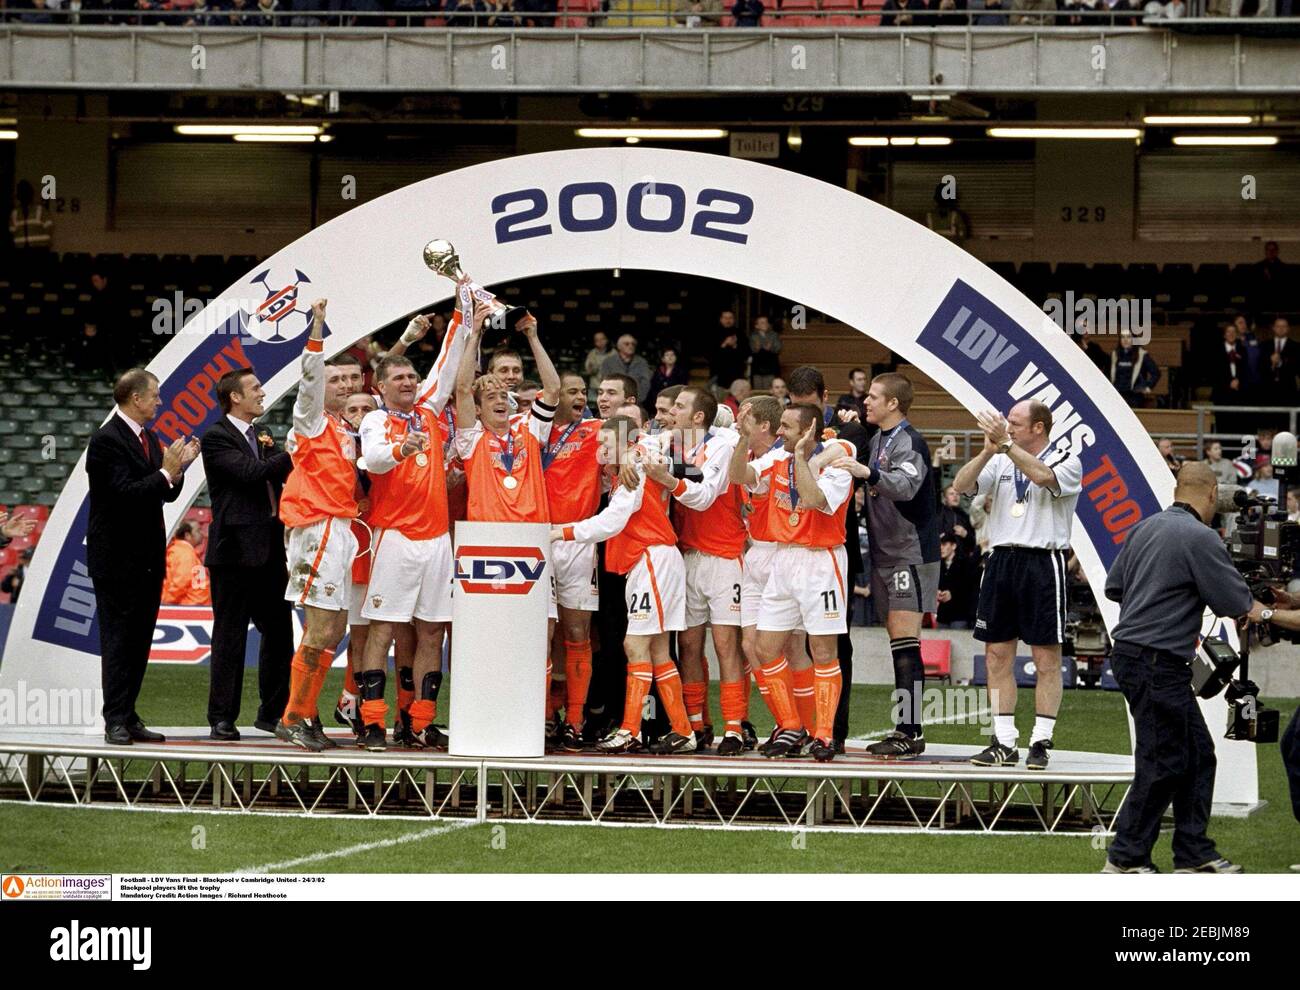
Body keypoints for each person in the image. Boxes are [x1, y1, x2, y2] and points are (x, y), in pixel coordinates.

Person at [1101, 461, 1267, 874]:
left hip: (1136, 654)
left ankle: (1193, 853)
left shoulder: (1144, 527)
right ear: (1212, 494)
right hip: (1157, 658)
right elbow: (1237, 605)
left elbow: (1114, 587)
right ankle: (1125, 858)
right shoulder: (1200, 536)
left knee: (1197, 754)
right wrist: (1266, 612)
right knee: (1164, 760)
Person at [356, 295, 480, 751]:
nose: (409, 382)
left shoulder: (428, 411)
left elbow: (447, 367)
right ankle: (372, 722)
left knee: (432, 631)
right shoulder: (375, 419)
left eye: (411, 375)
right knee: (382, 629)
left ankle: (421, 721)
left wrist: (464, 317)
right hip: (395, 537)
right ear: (383, 387)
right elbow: (371, 461)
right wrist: (401, 451)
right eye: (400, 377)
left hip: (436, 540)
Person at [551, 415, 696, 754]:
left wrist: (562, 531)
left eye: (606, 444)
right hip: (646, 561)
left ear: (624, 442)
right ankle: (682, 730)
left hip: (652, 559)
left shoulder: (635, 468)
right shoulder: (630, 467)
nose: (600, 450)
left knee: (635, 646)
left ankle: (630, 729)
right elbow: (653, 439)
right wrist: (636, 451)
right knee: (658, 650)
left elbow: (611, 522)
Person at [951, 400, 1082, 769]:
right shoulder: (1001, 456)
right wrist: (988, 451)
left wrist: (1006, 446)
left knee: (1045, 658)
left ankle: (1040, 740)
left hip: (1044, 561)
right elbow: (962, 486)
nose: (1007, 427)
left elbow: (1042, 477)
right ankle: (1003, 741)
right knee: (996, 654)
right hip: (1002, 559)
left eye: (1015, 422)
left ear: (1038, 428)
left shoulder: (1067, 458)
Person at [454, 308, 562, 726]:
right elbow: (463, 387)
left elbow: (552, 387)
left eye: (506, 396)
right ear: (478, 409)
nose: (501, 401)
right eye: (492, 398)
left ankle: (534, 715)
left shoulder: (529, 431)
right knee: (488, 634)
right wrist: (474, 331)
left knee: (541, 634)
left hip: (533, 541)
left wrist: (533, 337)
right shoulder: (471, 439)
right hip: (485, 545)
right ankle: (487, 713)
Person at [734, 403, 852, 762]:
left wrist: (801, 459)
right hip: (784, 558)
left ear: (809, 430)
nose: (780, 432)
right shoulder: (774, 459)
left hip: (822, 559)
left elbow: (815, 500)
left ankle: (825, 735)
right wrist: (742, 440)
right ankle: (791, 726)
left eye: (787, 427)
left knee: (823, 651)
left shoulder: (837, 464)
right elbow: (739, 475)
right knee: (765, 648)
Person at [87, 368, 199, 745]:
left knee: (138, 642)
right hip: (117, 560)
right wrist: (166, 472)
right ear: (136, 398)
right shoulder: (106, 440)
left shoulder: (148, 438)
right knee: (118, 642)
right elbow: (123, 494)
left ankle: (129, 714)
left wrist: (177, 470)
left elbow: (162, 493)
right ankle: (115, 719)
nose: (160, 402)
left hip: (148, 558)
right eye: (155, 395)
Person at [273, 298, 365, 751]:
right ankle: (292, 716)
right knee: (321, 626)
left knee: (336, 626)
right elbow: (308, 381)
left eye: (349, 378)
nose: (343, 385)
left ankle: (306, 714)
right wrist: (317, 329)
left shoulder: (341, 427)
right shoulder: (310, 421)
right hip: (318, 527)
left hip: (341, 528)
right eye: (336, 379)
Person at [835, 372, 939, 759]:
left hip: (909, 552)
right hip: (885, 549)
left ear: (893, 403)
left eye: (874, 397)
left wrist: (869, 473)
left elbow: (906, 486)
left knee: (905, 638)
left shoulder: (910, 440)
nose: (867, 402)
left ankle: (910, 731)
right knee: (897, 638)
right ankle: (906, 728)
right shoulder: (878, 437)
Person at [642, 386, 748, 753]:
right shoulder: (669, 443)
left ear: (698, 417)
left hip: (725, 554)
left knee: (725, 644)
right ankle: (697, 726)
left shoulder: (722, 445)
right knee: (687, 644)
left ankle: (734, 728)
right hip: (686, 554)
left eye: (679, 407)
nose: (671, 412)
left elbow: (704, 497)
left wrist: (668, 479)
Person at [201, 367, 295, 740]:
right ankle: (222, 717)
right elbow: (251, 474)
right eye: (255, 388)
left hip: (270, 549)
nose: (262, 392)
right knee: (230, 636)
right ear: (234, 397)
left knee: (280, 633)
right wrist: (293, 452)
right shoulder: (216, 437)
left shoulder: (260, 435)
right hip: (233, 552)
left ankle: (273, 713)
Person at [787, 366, 871, 751]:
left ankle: (834, 729)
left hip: (835, 548)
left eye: (810, 407)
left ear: (825, 397)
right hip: (792, 547)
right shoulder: (788, 431)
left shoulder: (848, 428)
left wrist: (812, 457)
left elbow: (853, 444)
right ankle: (799, 725)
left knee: (835, 639)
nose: (806, 416)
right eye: (796, 407)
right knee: (795, 641)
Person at [541, 371, 606, 749]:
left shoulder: (599, 430)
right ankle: (547, 715)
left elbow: (662, 442)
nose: (582, 396)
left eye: (585, 391)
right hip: (539, 538)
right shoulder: (534, 428)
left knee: (577, 633)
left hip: (579, 539)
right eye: (573, 391)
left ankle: (575, 720)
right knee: (545, 635)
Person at [599, 334, 652, 411]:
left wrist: (636, 399)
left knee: (628, 422)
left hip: (636, 404)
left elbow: (646, 383)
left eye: (633, 344)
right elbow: (604, 382)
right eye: (627, 344)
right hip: (613, 404)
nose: (631, 346)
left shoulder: (642, 362)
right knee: (620, 422)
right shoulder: (608, 362)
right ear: (619, 346)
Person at [162, 521, 210, 606]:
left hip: (196, 605)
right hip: (190, 607)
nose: (202, 533)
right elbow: (180, 582)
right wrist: (165, 602)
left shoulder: (186, 552)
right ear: (187, 535)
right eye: (198, 530)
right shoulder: (184, 554)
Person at [936, 533, 977, 629]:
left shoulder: (965, 563)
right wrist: (937, 591)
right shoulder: (938, 565)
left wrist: (952, 594)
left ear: (953, 546)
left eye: (944, 544)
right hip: (943, 614)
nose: (941, 548)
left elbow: (968, 587)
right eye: (940, 545)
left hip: (959, 614)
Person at [1109, 331, 1160, 407]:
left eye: (1128, 337)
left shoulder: (1142, 355)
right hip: (1118, 395)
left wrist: (1148, 387)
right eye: (1123, 337)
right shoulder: (1115, 354)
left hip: (1134, 396)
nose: (1125, 340)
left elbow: (1156, 373)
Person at [709, 312, 750, 398]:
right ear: (721, 319)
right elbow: (710, 354)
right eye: (725, 318)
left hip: (737, 371)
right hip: (719, 372)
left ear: (734, 320)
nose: (728, 320)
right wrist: (724, 344)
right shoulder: (713, 333)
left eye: (730, 318)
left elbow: (747, 352)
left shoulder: (740, 333)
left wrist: (735, 346)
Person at [749, 315, 782, 389]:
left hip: (771, 366)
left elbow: (778, 348)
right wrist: (758, 348)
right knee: (758, 390)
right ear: (757, 326)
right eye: (762, 323)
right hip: (757, 367)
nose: (765, 324)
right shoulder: (753, 336)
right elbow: (752, 349)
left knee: (770, 389)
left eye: (766, 322)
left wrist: (770, 348)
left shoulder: (774, 335)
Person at [584, 330, 610, 401]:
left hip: (609, 387)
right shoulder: (592, 353)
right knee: (592, 408)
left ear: (606, 340)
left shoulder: (614, 353)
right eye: (597, 340)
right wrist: (593, 367)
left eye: (602, 339)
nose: (600, 341)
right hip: (594, 387)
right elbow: (588, 370)